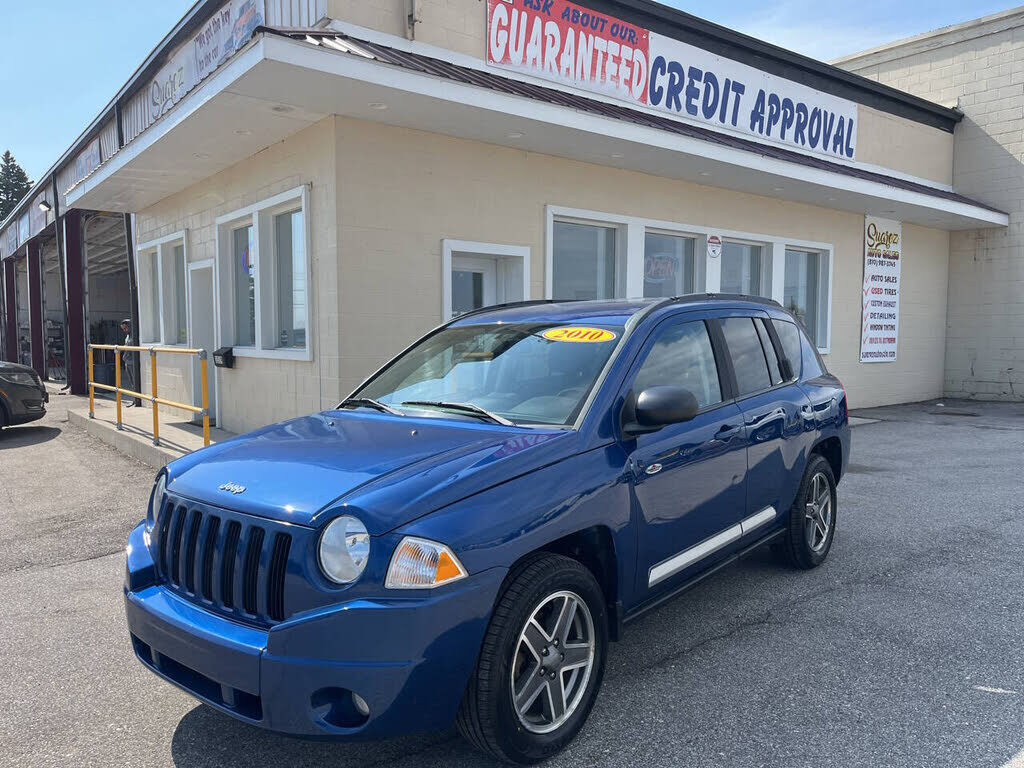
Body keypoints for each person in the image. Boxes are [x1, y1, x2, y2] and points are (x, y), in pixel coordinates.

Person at [120, 319, 136, 406]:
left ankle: (136, 399)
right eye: (123, 329)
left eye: (125, 328)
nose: (124, 330)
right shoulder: (128, 336)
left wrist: (124, 347)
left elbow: (130, 346)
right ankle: (134, 398)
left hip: (132, 362)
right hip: (127, 361)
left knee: (135, 381)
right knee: (131, 382)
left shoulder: (134, 336)